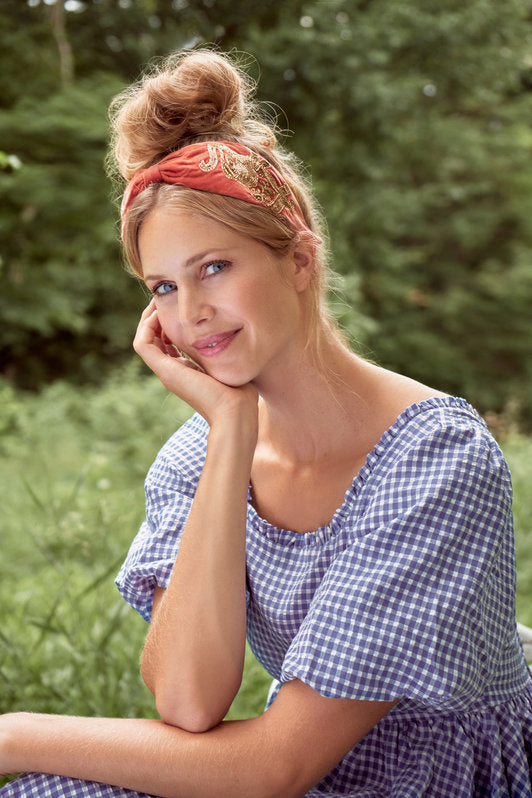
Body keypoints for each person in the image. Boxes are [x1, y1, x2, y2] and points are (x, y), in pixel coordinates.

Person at [1, 48, 531, 798]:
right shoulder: (203, 453)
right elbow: (187, 703)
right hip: (296, 768)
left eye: (215, 267)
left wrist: (14, 734)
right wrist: (227, 433)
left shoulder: (437, 460)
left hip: (440, 781)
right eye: (164, 285)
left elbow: (276, 769)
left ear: (301, 261)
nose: (191, 313)